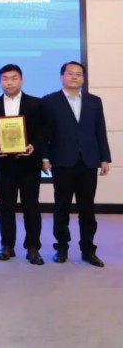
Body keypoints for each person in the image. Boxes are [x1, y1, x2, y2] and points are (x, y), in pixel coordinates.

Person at [43, 61, 111, 267]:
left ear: (83, 78)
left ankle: (88, 250)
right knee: (61, 207)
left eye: (79, 74)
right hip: (62, 160)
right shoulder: (49, 101)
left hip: (88, 161)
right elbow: (44, 133)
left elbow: (100, 130)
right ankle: (61, 247)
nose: (74, 77)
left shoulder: (94, 101)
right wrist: (45, 157)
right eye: (70, 73)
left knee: (87, 208)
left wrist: (105, 157)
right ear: (62, 77)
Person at [0, 64, 47, 265]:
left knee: (31, 206)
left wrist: (34, 145)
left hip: (29, 163)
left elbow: (44, 130)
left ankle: (33, 247)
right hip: (4, 164)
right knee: (6, 206)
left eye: (14, 78)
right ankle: (7, 245)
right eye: (5, 78)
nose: (9, 82)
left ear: (22, 80)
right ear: (0, 81)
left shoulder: (36, 104)